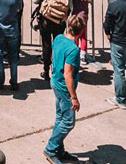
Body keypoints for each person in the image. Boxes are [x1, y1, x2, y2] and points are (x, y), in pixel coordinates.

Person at [46, 13, 83, 164]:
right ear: (80, 31)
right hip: (64, 87)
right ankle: (51, 148)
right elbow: (68, 74)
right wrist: (74, 97)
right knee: (68, 122)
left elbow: (54, 58)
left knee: (60, 117)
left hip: (55, 81)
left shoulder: (59, 39)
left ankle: (58, 149)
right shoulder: (73, 50)